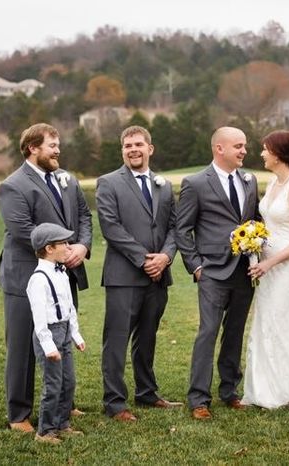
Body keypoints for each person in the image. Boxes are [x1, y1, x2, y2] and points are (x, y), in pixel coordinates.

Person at [0, 123, 92, 432]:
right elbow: (23, 230)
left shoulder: (68, 180)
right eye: (52, 145)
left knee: (62, 340)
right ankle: (19, 414)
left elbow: (84, 216)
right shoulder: (13, 186)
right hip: (26, 278)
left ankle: (64, 405)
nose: (58, 150)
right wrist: (63, 251)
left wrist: (82, 246)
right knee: (23, 348)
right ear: (32, 148)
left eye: (58, 144)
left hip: (65, 275)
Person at [96, 126, 180, 422]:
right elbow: (110, 227)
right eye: (127, 145)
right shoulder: (108, 183)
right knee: (116, 340)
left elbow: (174, 227)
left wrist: (166, 257)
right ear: (122, 150)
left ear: (150, 149)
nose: (133, 149)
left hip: (158, 276)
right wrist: (145, 260)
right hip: (124, 276)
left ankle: (146, 392)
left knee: (147, 337)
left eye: (138, 144)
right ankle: (115, 402)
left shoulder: (164, 185)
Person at [175, 126, 260, 420]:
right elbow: (183, 229)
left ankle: (229, 391)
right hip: (211, 271)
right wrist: (196, 266)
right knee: (208, 332)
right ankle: (199, 399)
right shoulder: (195, 183)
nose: (244, 151)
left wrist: (257, 246)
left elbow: (254, 219)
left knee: (234, 332)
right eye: (238, 146)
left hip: (244, 270)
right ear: (219, 148)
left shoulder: (250, 180)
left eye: (244, 146)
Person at [241, 130, 289, 409]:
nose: (261, 154)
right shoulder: (272, 183)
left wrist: (270, 262)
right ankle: (269, 387)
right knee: (266, 319)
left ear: (279, 154)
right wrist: (253, 241)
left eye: (265, 149)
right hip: (266, 265)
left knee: (285, 319)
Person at [27, 223, 86, 444]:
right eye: (64, 243)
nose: (69, 247)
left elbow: (69, 307)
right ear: (49, 248)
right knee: (53, 385)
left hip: (64, 330)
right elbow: (39, 318)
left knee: (68, 382)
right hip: (49, 335)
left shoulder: (62, 273)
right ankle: (45, 431)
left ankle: (62, 423)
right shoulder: (38, 279)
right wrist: (48, 346)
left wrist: (76, 335)